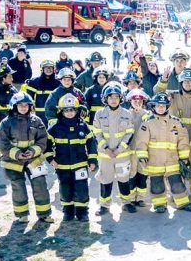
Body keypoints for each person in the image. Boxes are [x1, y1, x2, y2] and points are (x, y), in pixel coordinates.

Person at [134, 92, 191, 213]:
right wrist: (142, 156)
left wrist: (184, 157)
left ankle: (183, 203)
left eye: (163, 105)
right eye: (158, 105)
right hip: (154, 161)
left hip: (172, 160)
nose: (161, 108)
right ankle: (159, 205)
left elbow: (183, 140)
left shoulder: (176, 122)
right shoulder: (147, 123)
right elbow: (141, 142)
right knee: (157, 185)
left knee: (177, 183)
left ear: (167, 106)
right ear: (154, 106)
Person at [0, 92, 51, 223]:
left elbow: (43, 140)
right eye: (20, 105)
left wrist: (33, 151)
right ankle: (22, 215)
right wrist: (17, 154)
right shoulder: (6, 122)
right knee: (18, 187)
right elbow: (2, 143)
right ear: (14, 106)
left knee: (40, 185)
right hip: (13, 161)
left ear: (30, 106)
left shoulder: (36, 121)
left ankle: (44, 214)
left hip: (34, 159)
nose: (23, 107)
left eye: (26, 105)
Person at [46, 93, 97, 222]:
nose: (69, 113)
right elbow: (46, 144)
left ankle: (82, 212)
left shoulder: (83, 126)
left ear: (77, 110)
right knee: (65, 189)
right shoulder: (55, 127)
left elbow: (91, 143)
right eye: (66, 110)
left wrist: (92, 160)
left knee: (81, 189)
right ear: (61, 111)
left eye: (72, 110)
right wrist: (50, 159)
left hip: (80, 164)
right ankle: (68, 211)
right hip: (62, 166)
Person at [92, 83, 136, 215]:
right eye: (110, 97)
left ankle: (126, 203)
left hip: (122, 155)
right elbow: (96, 133)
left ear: (120, 98)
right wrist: (106, 148)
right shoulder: (99, 114)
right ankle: (104, 206)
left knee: (124, 179)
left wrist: (119, 149)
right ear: (105, 99)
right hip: (105, 155)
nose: (113, 100)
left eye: (116, 97)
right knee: (105, 180)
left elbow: (129, 134)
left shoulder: (127, 114)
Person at [166, 69, 191, 201]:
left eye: (190, 81)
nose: (187, 84)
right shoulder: (173, 96)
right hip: (176, 142)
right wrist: (163, 80)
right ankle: (177, 193)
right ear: (180, 83)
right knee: (176, 169)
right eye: (185, 81)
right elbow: (157, 92)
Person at [125, 89, 151, 209]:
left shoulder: (147, 114)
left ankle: (140, 198)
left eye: (140, 101)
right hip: (130, 151)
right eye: (135, 101)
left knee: (143, 174)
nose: (137, 103)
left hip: (143, 151)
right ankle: (131, 198)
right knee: (131, 175)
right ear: (130, 101)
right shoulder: (126, 114)